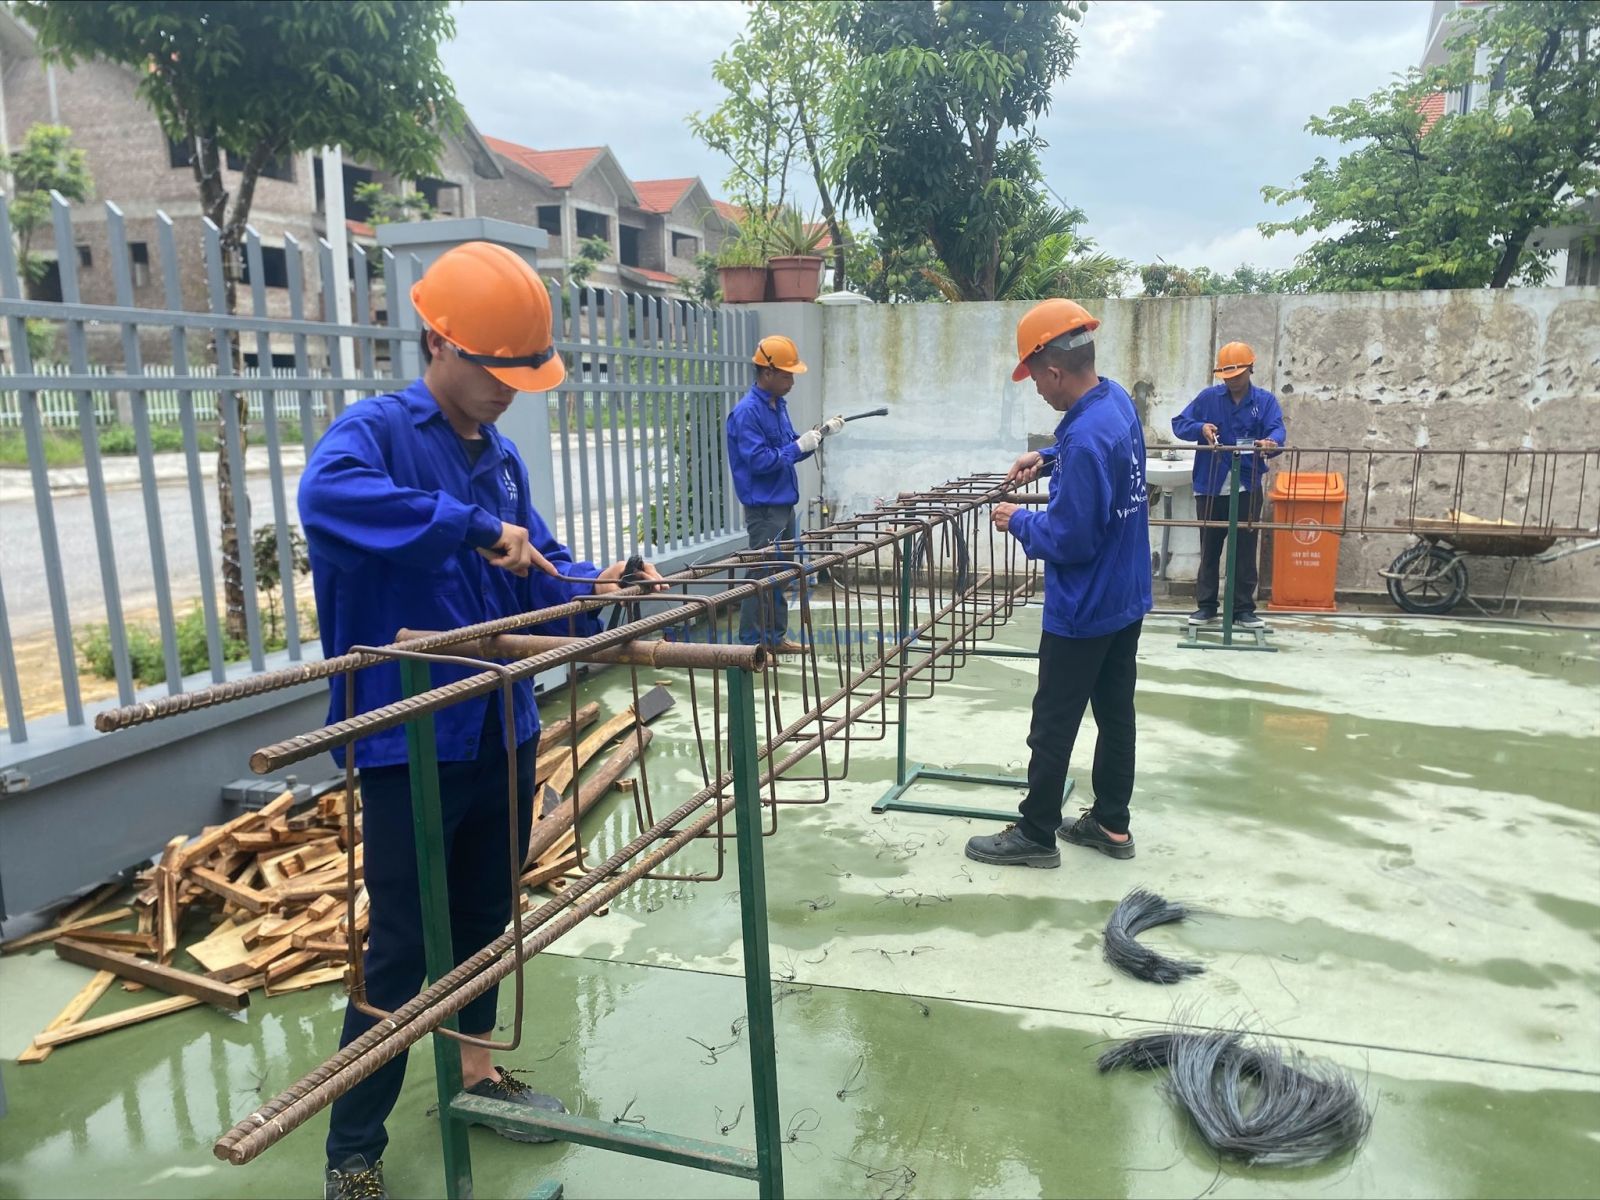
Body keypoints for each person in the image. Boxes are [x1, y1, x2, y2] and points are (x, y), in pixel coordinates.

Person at [299, 241, 663, 1200]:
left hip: (501, 723)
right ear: (438, 341)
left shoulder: (499, 460)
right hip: (409, 736)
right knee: (403, 947)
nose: (509, 390)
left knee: (484, 918)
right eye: (495, 369)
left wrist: (606, 586)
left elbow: (547, 571)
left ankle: (475, 1074)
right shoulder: (373, 435)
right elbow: (326, 501)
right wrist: (466, 527)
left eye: (520, 373)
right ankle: (354, 1152)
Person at [965, 299, 1153, 869]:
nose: (1038, 392)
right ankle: (1111, 825)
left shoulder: (1088, 438)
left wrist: (1016, 520)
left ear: (1054, 370)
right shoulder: (1113, 401)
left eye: (1036, 380)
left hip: (1085, 606)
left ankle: (1036, 832)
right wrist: (1047, 457)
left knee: (1053, 723)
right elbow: (1095, 456)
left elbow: (1072, 539)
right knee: (1115, 712)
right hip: (1126, 595)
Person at [724, 334, 845, 653]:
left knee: (780, 575)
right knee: (760, 576)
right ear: (767, 373)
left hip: (783, 504)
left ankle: (775, 638)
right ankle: (751, 645)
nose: (792, 380)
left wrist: (818, 436)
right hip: (764, 510)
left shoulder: (778, 405)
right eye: (787, 374)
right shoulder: (747, 413)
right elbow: (760, 461)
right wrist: (797, 446)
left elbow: (790, 447)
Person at [1170, 342, 1286, 628]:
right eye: (1227, 375)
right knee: (1210, 547)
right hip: (1210, 485)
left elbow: (1277, 430)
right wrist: (1201, 428)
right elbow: (1179, 422)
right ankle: (1207, 606)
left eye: (1238, 374)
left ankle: (1242, 609)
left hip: (1246, 484)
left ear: (1250, 370)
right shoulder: (1208, 398)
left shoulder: (1264, 401)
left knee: (1245, 548)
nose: (1233, 380)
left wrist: (1271, 443)